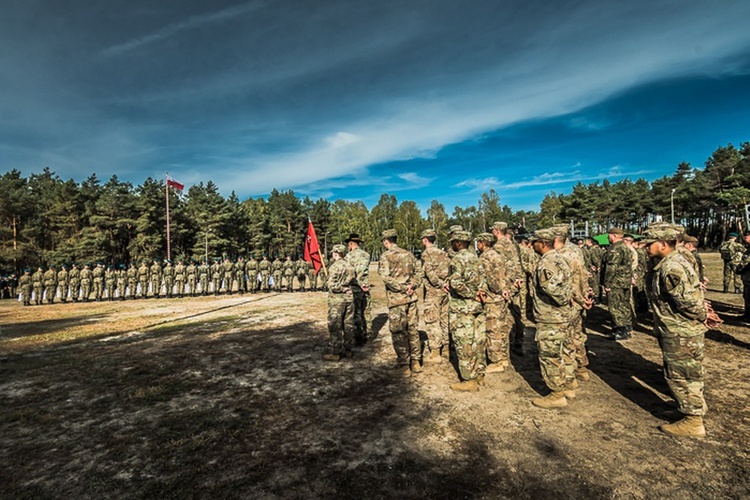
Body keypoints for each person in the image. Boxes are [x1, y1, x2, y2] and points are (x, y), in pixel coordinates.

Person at [644, 224, 709, 437]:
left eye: (650, 243)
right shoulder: (671, 262)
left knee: (683, 375)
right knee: (681, 373)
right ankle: (686, 409)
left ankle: (693, 420)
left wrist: (702, 316)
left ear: (663, 244)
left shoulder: (671, 268)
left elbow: (689, 302)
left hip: (681, 332)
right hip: (678, 329)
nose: (645, 247)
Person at [530, 229, 576, 408]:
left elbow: (553, 289)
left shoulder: (546, 263)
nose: (532, 245)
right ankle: (568, 385)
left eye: (534, 242)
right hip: (563, 315)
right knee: (565, 351)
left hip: (551, 317)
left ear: (542, 243)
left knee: (550, 355)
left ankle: (556, 394)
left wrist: (564, 298)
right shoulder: (560, 258)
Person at [444, 230, 486, 391]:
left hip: (463, 308)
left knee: (464, 344)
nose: (452, 244)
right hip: (477, 307)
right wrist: (479, 293)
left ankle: (469, 379)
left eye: (453, 241)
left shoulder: (458, 259)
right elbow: (483, 280)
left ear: (459, 243)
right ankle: (480, 373)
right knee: (478, 341)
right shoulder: (477, 258)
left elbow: (456, 283)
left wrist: (471, 294)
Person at [378, 229, 424, 376]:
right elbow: (419, 274)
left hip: (397, 300)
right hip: (411, 299)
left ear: (386, 241)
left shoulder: (386, 256)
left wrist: (403, 288)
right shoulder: (409, 255)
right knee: (412, 330)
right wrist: (412, 286)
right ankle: (415, 362)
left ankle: (404, 365)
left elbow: (385, 278)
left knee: (398, 332)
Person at [551, 225, 593, 383]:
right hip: (579, 297)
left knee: (567, 338)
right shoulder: (575, 251)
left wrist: (578, 297)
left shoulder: (558, 256)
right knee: (578, 334)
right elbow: (582, 274)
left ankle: (570, 373)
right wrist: (585, 295)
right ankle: (582, 367)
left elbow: (566, 283)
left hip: (569, 299)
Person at [476, 232, 512, 374]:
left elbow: (490, 278)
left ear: (483, 243)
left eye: (479, 242)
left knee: (493, 330)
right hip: (502, 297)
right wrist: (505, 289)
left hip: (493, 297)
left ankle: (496, 361)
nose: (477, 245)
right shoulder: (497, 255)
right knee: (502, 328)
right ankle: (503, 358)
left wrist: (498, 290)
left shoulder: (485, 257)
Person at [420, 229, 450, 363]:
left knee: (432, 320)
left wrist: (439, 284)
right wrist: (446, 284)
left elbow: (429, 272)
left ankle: (436, 352)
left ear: (425, 240)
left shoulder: (426, 253)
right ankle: (447, 348)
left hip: (434, 291)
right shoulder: (443, 253)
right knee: (445, 319)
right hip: (445, 291)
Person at [324, 244, 356, 361]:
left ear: (336, 253)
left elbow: (332, 286)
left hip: (337, 300)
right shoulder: (350, 266)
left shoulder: (334, 267)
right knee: (348, 325)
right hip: (349, 299)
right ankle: (348, 349)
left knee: (335, 325)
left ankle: (335, 351)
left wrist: (343, 288)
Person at [603, 228, 634, 340]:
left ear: (614, 235)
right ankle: (627, 327)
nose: (608, 237)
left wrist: (607, 283)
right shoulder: (626, 247)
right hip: (624, 281)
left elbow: (611, 268)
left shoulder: (615, 248)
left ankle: (619, 330)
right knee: (624, 305)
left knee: (615, 306)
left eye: (609, 235)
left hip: (616, 282)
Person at [345, 233, 372, 344]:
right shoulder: (366, 255)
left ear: (351, 244)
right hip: (365, 287)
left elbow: (352, 273)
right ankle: (368, 334)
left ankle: (359, 336)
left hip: (356, 287)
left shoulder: (348, 257)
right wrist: (364, 285)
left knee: (356, 312)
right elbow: (363, 271)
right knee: (366, 311)